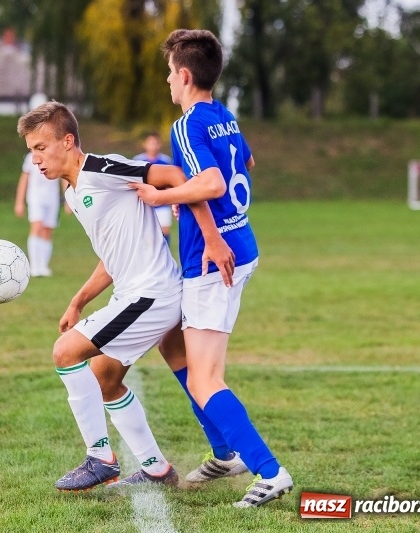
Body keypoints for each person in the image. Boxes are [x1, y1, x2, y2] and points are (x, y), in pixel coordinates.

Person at [16, 101, 234, 492]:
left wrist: (186, 210)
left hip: (153, 293)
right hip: (135, 293)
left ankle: (100, 457)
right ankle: (156, 469)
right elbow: (111, 258)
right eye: (31, 151)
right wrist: (78, 300)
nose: (35, 159)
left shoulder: (101, 168)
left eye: (41, 148)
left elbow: (173, 174)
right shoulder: (72, 193)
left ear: (67, 142)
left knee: (65, 352)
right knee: (105, 378)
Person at [130, 29, 293, 508]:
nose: (167, 82)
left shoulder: (186, 125)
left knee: (206, 379)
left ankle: (270, 471)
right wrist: (204, 205)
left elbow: (211, 181)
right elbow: (246, 161)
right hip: (239, 245)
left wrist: (165, 196)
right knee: (171, 342)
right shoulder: (225, 116)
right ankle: (225, 452)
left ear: (184, 76)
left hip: (212, 258)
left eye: (168, 74)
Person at [14, 152, 63, 277]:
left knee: (48, 230)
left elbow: (63, 177)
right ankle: (34, 266)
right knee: (37, 227)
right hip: (36, 197)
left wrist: (69, 199)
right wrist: (19, 202)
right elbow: (24, 179)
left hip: (52, 198)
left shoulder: (56, 156)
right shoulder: (31, 157)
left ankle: (43, 266)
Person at [133, 132, 174, 245]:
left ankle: (166, 255)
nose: (153, 146)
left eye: (155, 143)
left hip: (162, 202)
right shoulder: (137, 160)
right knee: (146, 234)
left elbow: (171, 180)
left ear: (159, 144)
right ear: (145, 144)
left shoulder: (165, 160)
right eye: (150, 143)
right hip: (144, 203)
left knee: (164, 231)